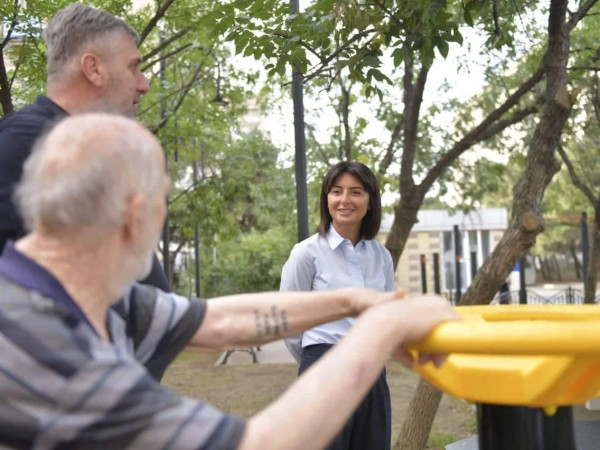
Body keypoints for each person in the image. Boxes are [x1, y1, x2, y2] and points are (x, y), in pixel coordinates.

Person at [0, 113, 457, 449]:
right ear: (137, 213)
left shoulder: (94, 297)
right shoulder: (48, 348)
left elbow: (219, 322)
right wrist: (382, 330)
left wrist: (356, 302)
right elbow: (258, 442)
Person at [0, 2, 169, 291]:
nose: (144, 84)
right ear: (93, 69)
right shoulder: (26, 146)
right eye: (133, 67)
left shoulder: (73, 147)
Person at [280, 161, 396, 450]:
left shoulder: (381, 256)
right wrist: (316, 359)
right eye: (336, 192)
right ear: (327, 200)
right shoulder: (306, 253)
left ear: (370, 202)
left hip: (372, 373)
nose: (345, 200)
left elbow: (386, 317)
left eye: (356, 192)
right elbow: (288, 320)